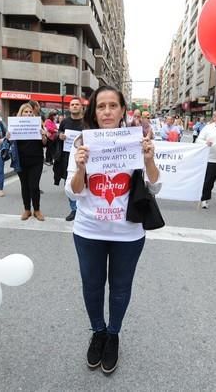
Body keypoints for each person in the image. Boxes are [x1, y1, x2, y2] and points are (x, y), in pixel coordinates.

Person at [65, 86, 159, 375]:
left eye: (113, 106)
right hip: (89, 230)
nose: (107, 111)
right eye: (101, 106)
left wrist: (148, 160)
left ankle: (114, 334)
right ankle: (98, 332)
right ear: (94, 110)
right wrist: (81, 167)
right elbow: (74, 190)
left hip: (127, 233)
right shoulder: (83, 142)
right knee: (92, 287)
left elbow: (155, 186)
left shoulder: (136, 140)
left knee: (120, 288)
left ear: (122, 110)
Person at [10, 103, 47, 221]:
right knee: (24, 186)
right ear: (21, 113)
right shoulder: (15, 125)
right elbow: (10, 143)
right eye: (25, 112)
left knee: (34, 186)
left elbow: (44, 144)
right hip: (21, 160)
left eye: (30, 112)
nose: (28, 114)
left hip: (36, 159)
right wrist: (8, 136)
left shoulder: (38, 124)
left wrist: (44, 136)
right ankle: (27, 210)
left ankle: (37, 210)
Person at [54, 97, 85, 221]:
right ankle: (74, 209)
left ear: (81, 107)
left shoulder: (86, 122)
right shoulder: (65, 121)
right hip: (67, 156)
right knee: (69, 181)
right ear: (69, 107)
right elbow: (59, 133)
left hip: (83, 157)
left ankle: (81, 208)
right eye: (72, 104)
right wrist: (60, 135)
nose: (75, 106)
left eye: (77, 104)